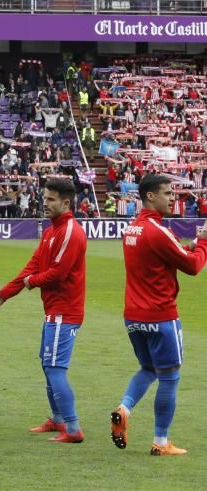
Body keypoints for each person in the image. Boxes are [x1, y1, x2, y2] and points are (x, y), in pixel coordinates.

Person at [110, 174, 207, 456]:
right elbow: (192, 266)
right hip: (161, 315)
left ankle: (123, 409)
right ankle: (161, 442)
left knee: (148, 368)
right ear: (150, 196)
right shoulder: (158, 230)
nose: (172, 198)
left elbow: (164, 255)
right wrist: (202, 244)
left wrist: (188, 246)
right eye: (167, 193)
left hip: (133, 315)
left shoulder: (133, 229)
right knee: (169, 376)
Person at [0, 179, 87, 443]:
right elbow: (33, 265)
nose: (45, 202)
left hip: (65, 312)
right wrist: (7, 292)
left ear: (66, 203)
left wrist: (32, 282)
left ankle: (73, 428)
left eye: (51, 199)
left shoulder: (69, 232)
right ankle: (57, 420)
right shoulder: (51, 231)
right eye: (44, 198)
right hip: (54, 310)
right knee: (48, 365)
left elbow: (58, 273)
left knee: (55, 368)